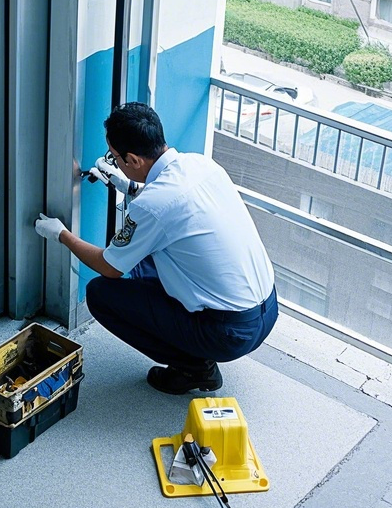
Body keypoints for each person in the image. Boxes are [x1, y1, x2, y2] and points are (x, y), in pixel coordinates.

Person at [34, 102, 277, 395]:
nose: (113, 161)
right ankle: (193, 344)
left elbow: (109, 266)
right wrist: (129, 187)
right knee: (143, 257)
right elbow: (177, 208)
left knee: (101, 294)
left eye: (115, 157)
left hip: (229, 333)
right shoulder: (201, 164)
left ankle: (195, 368)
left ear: (133, 159)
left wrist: (61, 234)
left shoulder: (155, 206)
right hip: (267, 308)